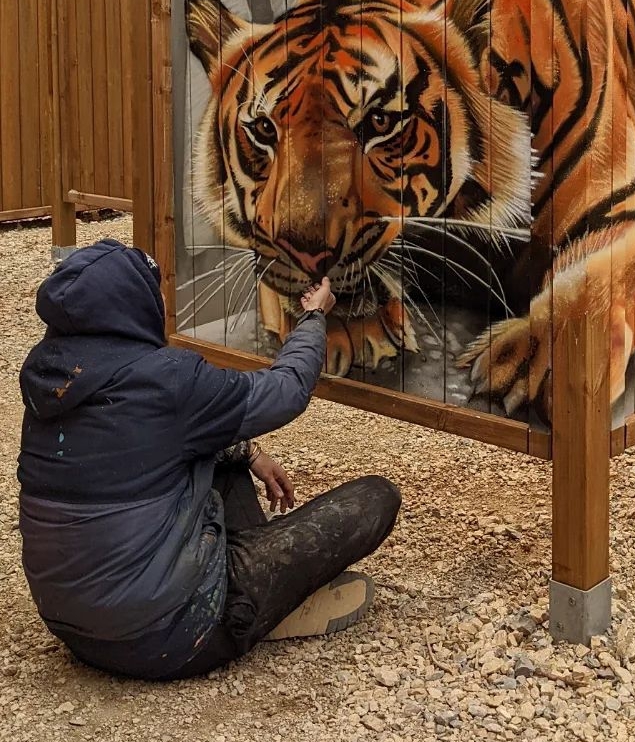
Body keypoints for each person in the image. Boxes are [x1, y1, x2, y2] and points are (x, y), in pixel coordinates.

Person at [17, 238, 400, 680]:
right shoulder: (166, 379)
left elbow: (145, 438)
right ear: (131, 306)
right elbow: (286, 390)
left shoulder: (51, 378)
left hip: (75, 631)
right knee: (376, 498)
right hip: (169, 638)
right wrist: (314, 317)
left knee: (221, 451)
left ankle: (251, 583)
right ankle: (259, 609)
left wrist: (249, 451)